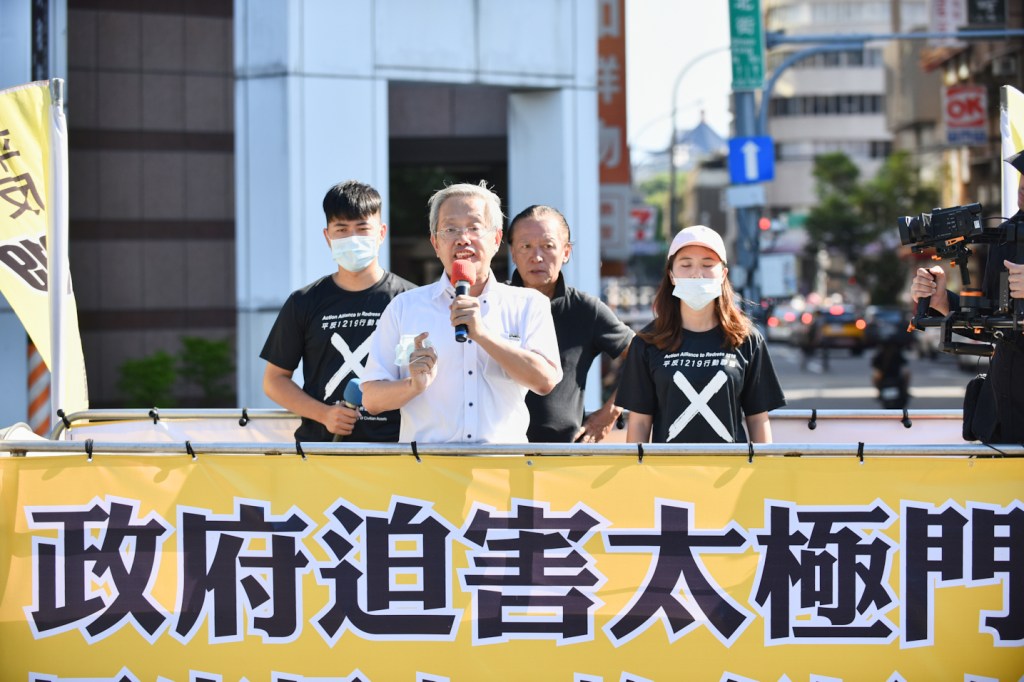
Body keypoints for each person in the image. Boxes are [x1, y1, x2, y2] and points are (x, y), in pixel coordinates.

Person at [360, 181, 562, 443]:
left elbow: (545, 381)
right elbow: (371, 400)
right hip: (427, 463)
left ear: (496, 239)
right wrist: (412, 385)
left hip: (501, 462)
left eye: (474, 228)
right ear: (435, 243)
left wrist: (482, 335)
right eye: (450, 229)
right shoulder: (404, 307)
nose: (463, 238)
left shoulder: (528, 304)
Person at [260, 180, 415, 442]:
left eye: (362, 228)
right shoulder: (304, 301)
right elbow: (274, 380)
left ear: (381, 233)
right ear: (327, 236)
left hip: (394, 449)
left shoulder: (409, 300)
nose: (353, 238)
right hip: (321, 450)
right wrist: (323, 414)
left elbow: (422, 378)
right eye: (342, 229)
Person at [615, 225, 786, 443]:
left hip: (731, 465)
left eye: (707, 264)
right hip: (667, 465)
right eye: (686, 265)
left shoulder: (747, 339)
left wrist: (765, 463)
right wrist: (637, 464)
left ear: (723, 274)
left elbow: (758, 419)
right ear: (671, 275)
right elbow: (639, 423)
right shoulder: (647, 342)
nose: (697, 274)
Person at [910, 150, 1024, 443]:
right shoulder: (1007, 235)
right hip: (1003, 416)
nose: (1022, 186)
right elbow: (995, 324)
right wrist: (942, 302)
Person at [506, 205, 634, 443]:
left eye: (548, 246)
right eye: (525, 246)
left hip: (564, 453)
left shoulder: (585, 310)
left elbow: (644, 357)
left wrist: (610, 412)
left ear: (566, 252)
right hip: (497, 452)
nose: (537, 256)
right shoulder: (494, 304)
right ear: (513, 253)